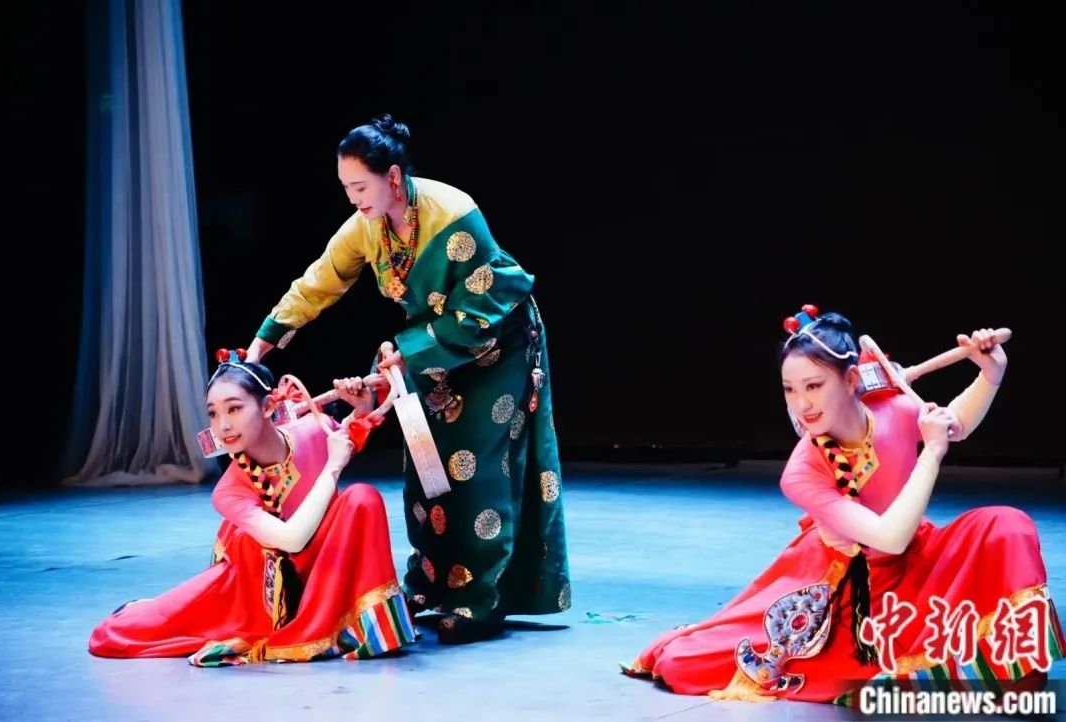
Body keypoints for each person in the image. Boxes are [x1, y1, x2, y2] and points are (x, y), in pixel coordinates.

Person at [623, 307, 1063, 703]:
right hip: (851, 589)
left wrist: (990, 375)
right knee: (686, 663)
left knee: (1007, 525)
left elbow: (954, 424)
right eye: (790, 390)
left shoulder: (892, 406)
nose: (802, 404)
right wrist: (930, 453)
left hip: (920, 558)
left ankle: (1014, 670)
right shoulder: (803, 471)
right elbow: (889, 539)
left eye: (814, 386)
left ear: (852, 380)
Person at [244, 114, 571, 644]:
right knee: (427, 465)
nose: (353, 199)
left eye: (360, 186)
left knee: (475, 470)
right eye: (346, 188)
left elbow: (480, 305)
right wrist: (265, 340)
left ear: (393, 177)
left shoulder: (454, 214)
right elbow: (320, 281)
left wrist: (409, 351)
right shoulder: (366, 226)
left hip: (493, 343)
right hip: (426, 351)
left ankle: (479, 600)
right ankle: (430, 584)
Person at [89, 350, 416, 665]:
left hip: (321, 565)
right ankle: (147, 611)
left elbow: (342, 439)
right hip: (257, 591)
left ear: (269, 406)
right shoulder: (228, 490)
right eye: (213, 413)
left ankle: (368, 627)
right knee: (119, 634)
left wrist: (361, 408)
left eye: (234, 409)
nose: (223, 425)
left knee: (362, 498)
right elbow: (292, 540)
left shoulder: (312, 430)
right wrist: (333, 466)